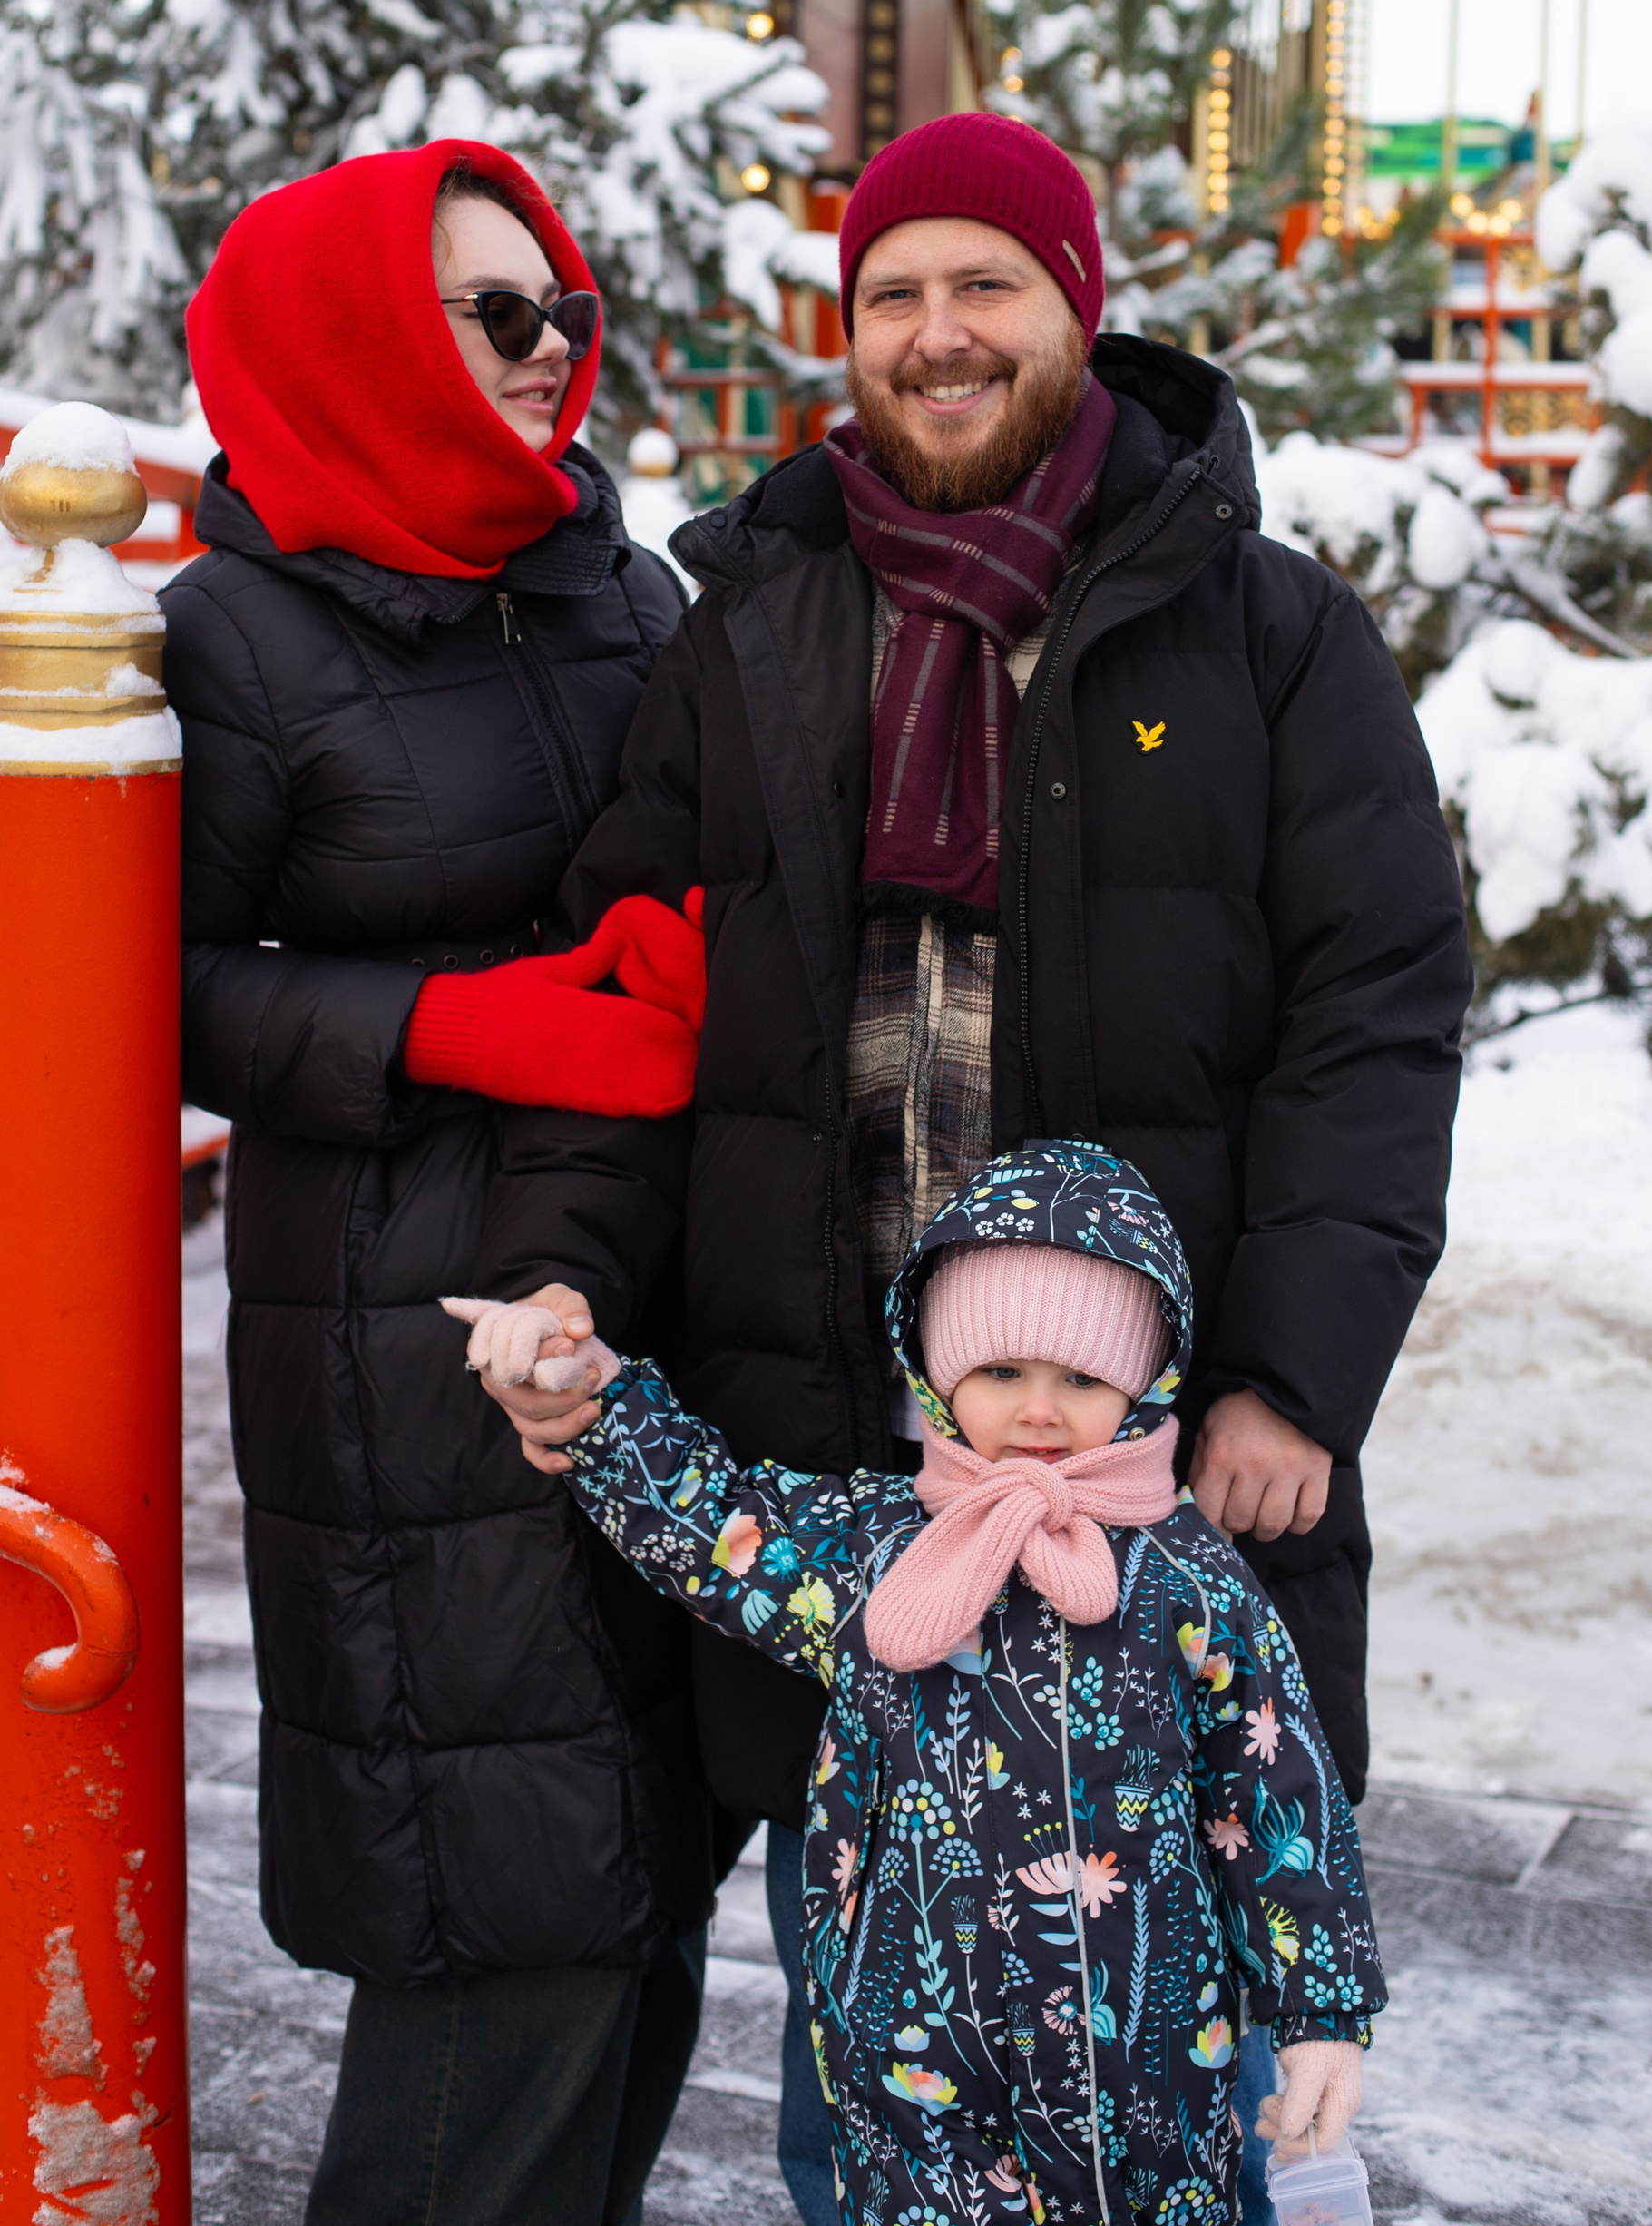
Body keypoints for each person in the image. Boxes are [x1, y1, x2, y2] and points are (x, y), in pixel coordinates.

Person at [464, 109, 1471, 2224]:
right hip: (845, 1466)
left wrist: (1292, 1375)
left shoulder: (1265, 633)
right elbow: (630, 991)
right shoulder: (749, 629)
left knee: (1170, 2073)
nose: (936, 332)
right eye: (892, 292)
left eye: (984, 283)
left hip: (1144, 1464)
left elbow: (1372, 1020)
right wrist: (564, 1271)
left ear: (1074, 310)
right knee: (870, 2063)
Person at [163, 139, 718, 2226]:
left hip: (643, 1280)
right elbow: (145, 992)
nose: (550, 349)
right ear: (362, 338)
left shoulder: (613, 578)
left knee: (649, 1877)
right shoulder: (240, 633)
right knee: (507, 1903)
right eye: (497, 313)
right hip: (401, 1334)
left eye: (563, 306)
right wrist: (447, 1025)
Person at [451, 1142, 1387, 2224]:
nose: (1039, 1412)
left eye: (1081, 1379)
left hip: (1149, 2059)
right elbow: (717, 1529)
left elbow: (1276, 1796)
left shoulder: (1185, 1575)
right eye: (1001, 1374)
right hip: (915, 2048)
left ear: (1143, 1384)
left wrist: (1321, 2015)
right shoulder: (875, 1544)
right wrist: (598, 1394)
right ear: (939, 1375)